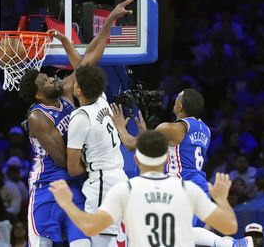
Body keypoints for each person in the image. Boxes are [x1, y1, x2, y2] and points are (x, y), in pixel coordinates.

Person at [18, 0, 135, 247]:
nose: (52, 79)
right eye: (46, 81)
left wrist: (110, 20)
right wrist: (95, 159)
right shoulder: (37, 116)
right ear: (39, 94)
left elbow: (90, 58)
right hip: (47, 188)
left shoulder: (67, 92)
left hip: (76, 184)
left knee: (84, 242)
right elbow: (63, 159)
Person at [110, 89, 253, 247]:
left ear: (180, 106)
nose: (174, 101)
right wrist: (145, 134)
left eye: (177, 99)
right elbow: (177, 151)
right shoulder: (205, 129)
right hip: (199, 185)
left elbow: (131, 145)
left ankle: (231, 244)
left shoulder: (170, 128)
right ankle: (232, 243)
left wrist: (120, 127)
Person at [49, 130, 238, 247]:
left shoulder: (124, 191)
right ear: (166, 159)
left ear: (137, 160)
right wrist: (221, 199)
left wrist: (67, 203)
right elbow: (229, 226)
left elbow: (90, 225)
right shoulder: (188, 190)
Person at [66, 66, 128, 247]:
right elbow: (83, 67)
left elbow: (72, 168)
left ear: (78, 90)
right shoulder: (102, 99)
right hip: (119, 176)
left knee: (101, 240)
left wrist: (87, 165)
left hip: (103, 181)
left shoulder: (80, 117)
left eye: (75, 83)